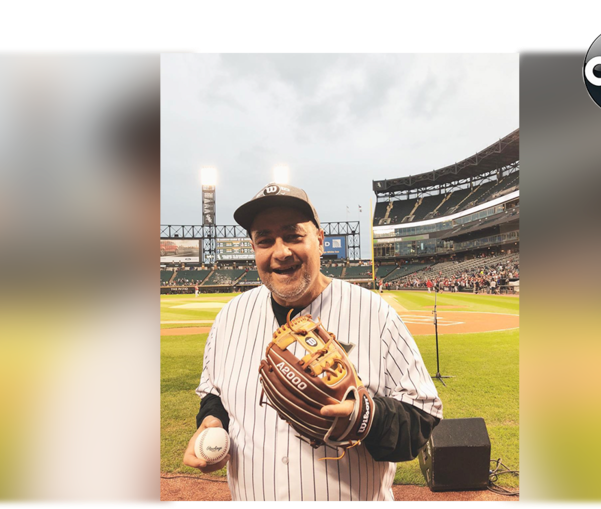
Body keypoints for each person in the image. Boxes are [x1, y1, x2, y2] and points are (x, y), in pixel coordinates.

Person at [183, 183, 443, 502]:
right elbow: (214, 394)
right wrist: (212, 422)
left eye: (293, 236)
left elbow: (422, 415)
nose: (281, 252)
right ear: (254, 249)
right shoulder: (229, 318)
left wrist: (366, 417)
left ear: (319, 240)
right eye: (265, 240)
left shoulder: (375, 314)